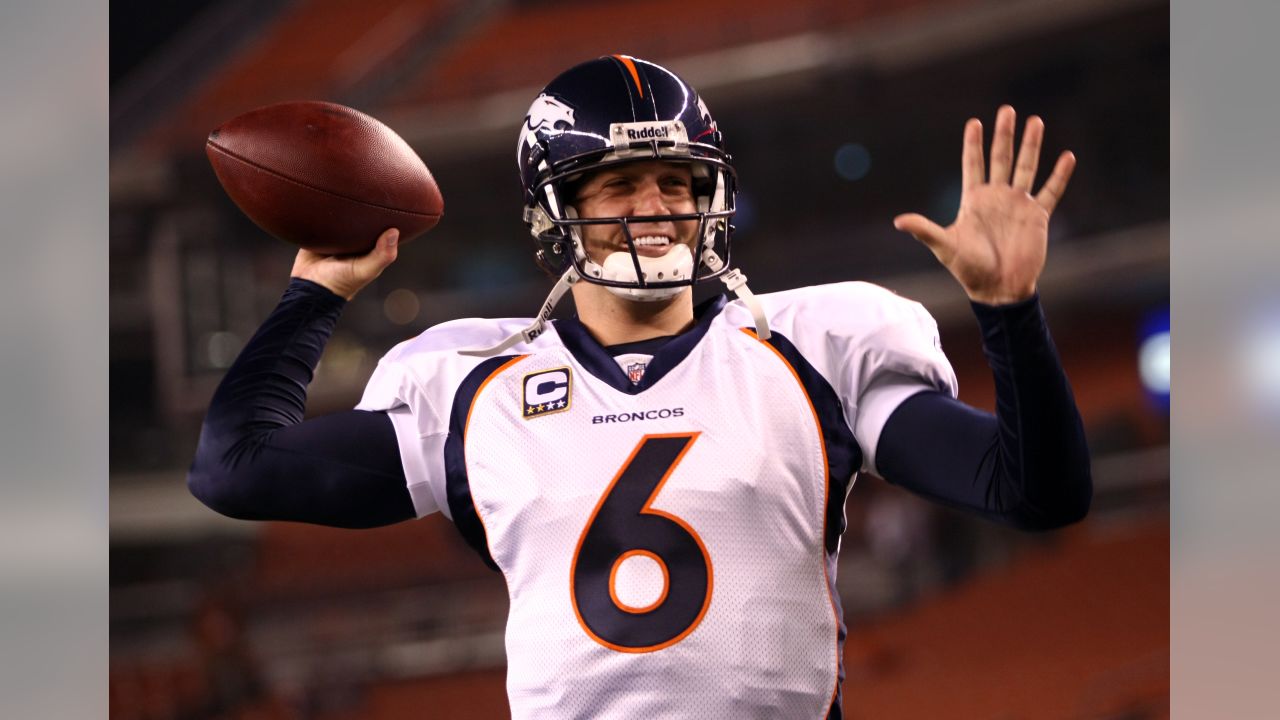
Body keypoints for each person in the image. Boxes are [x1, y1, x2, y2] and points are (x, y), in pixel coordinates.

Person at [189, 55, 1091, 719]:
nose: (655, 207)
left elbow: (1034, 493)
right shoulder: (473, 384)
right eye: (619, 184)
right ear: (554, 209)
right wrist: (314, 293)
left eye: (677, 180)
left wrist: (1009, 311)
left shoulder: (812, 347)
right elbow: (235, 469)